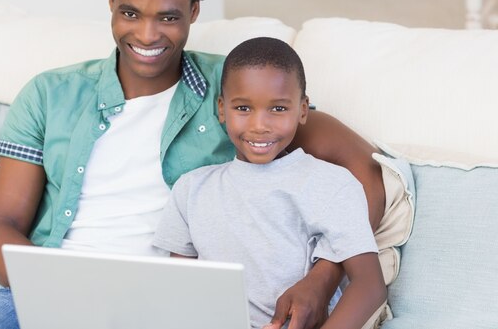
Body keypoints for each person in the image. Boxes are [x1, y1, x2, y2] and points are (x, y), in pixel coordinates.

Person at [0, 0, 385, 328]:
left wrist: (322, 278)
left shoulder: (239, 89)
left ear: (194, 11)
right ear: (110, 3)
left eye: (167, 16)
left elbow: (363, 168)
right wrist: (65, 291)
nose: (146, 34)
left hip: (174, 305)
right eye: (130, 12)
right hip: (58, 295)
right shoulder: (49, 95)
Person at [152, 37, 387, 329]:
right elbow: (181, 291)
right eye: (243, 108)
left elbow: (370, 287)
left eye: (278, 109)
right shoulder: (191, 190)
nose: (259, 125)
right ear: (222, 109)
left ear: (303, 110)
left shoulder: (331, 183)